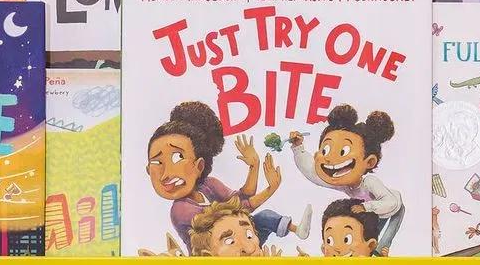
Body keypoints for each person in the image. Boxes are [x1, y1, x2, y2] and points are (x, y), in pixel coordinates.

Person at [144, 99, 304, 250]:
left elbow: (242, 197)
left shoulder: (208, 185)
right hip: (214, 256)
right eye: (157, 162)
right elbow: (235, 213)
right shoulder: (180, 210)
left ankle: (298, 230)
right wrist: (270, 189)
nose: (166, 173)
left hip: (238, 243)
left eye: (178, 157)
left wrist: (253, 166)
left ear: (199, 165)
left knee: (265, 217)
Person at [286, 102, 403, 251]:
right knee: (365, 240)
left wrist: (365, 207)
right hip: (371, 213)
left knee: (381, 245)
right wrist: (298, 148)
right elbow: (313, 174)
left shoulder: (370, 182)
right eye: (325, 150)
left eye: (343, 152)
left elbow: (391, 202)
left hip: (393, 208)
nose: (330, 159)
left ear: (369, 162)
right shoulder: (345, 183)